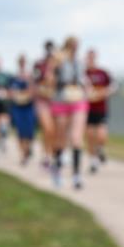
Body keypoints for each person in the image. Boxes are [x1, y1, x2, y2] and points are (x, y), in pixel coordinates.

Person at [47, 36, 89, 189]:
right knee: (61, 137)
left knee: (76, 137)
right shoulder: (58, 60)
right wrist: (55, 68)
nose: (74, 48)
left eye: (76, 45)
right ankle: (57, 169)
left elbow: (84, 80)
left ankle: (77, 175)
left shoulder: (80, 62)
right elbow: (49, 80)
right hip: (61, 99)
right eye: (72, 45)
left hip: (78, 99)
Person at [85, 48, 117, 174]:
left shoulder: (103, 72)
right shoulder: (83, 73)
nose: (91, 59)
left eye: (93, 57)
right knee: (90, 136)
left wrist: (105, 92)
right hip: (87, 109)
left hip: (101, 108)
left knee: (101, 134)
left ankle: (100, 149)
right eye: (89, 57)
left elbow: (113, 85)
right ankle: (93, 161)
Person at [9, 54, 38, 166]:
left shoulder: (30, 77)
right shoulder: (14, 77)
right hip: (18, 107)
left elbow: (34, 93)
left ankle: (28, 149)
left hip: (29, 107)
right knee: (20, 132)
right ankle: (23, 155)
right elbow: (11, 92)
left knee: (29, 131)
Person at [33, 41, 57, 170]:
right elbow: (36, 82)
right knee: (47, 128)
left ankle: (52, 155)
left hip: (57, 100)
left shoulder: (59, 65)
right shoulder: (39, 65)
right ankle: (47, 155)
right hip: (42, 100)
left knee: (54, 131)